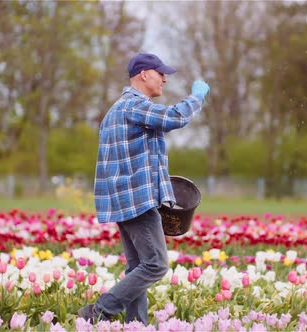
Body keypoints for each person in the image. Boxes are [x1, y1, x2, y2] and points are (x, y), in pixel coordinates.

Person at [78, 53, 210, 324]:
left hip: (123, 202)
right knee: (156, 265)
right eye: (160, 73)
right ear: (143, 74)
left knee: (138, 267)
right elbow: (174, 117)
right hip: (138, 202)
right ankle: (99, 311)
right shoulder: (133, 105)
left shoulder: (114, 111)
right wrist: (197, 97)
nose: (164, 78)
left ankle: (136, 325)